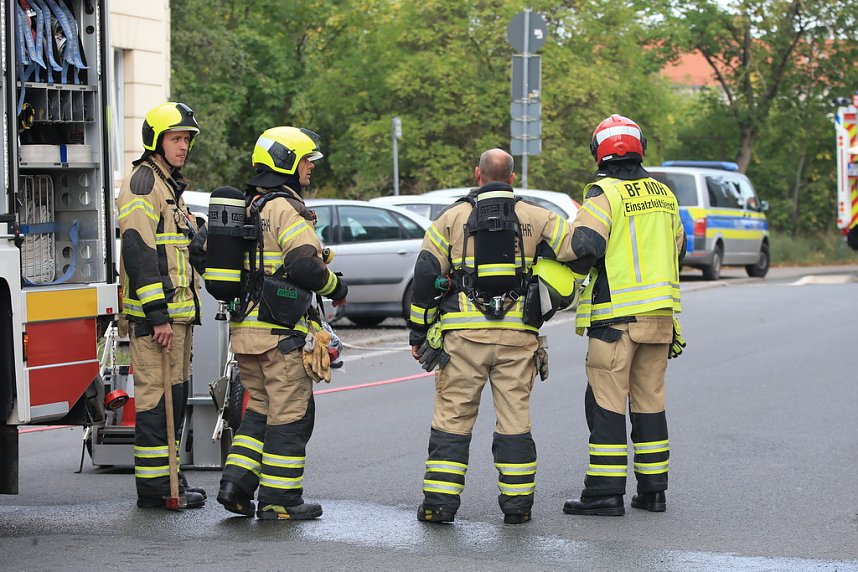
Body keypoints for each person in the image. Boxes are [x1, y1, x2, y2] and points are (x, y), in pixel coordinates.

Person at [408, 148, 579, 525]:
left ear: (477, 174)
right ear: (513, 178)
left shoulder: (451, 218)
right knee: (515, 420)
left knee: (453, 418)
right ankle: (517, 507)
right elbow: (579, 249)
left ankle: (439, 505)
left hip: (462, 339)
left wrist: (418, 332)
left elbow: (424, 277)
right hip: (519, 338)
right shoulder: (538, 216)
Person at [215, 126, 348, 521]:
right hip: (280, 335)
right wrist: (336, 285)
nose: (310, 166)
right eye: (306, 159)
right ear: (287, 160)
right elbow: (303, 264)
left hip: (245, 333)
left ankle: (235, 486)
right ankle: (280, 500)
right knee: (290, 415)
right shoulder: (285, 208)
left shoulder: (250, 205)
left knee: (258, 411)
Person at [561, 114, 686, 517]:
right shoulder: (665, 196)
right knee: (650, 402)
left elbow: (582, 247)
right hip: (660, 320)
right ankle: (653, 492)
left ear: (598, 151)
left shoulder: (605, 195)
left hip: (616, 323)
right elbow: (679, 251)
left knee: (606, 405)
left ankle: (603, 493)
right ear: (640, 147)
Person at [117, 101, 207, 509]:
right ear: (156, 141)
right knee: (155, 402)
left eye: (187, 139)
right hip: (158, 320)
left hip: (178, 317)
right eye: (176, 138)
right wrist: (157, 316)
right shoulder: (142, 183)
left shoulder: (169, 186)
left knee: (176, 396)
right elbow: (138, 250)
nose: (183, 145)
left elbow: (182, 248)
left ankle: (173, 479)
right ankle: (156, 490)